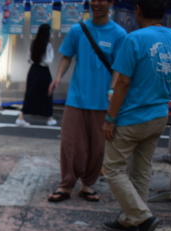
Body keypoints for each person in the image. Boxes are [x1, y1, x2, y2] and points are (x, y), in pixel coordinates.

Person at [101, 0, 171, 231]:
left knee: (113, 169)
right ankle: (129, 221)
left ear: (138, 9)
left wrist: (110, 119)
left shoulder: (134, 39)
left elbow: (122, 83)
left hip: (131, 117)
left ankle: (143, 217)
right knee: (141, 169)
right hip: (159, 114)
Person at [47, 0, 126, 202]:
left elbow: (118, 67)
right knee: (70, 143)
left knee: (98, 146)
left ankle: (88, 184)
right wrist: (58, 78)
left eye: (102, 0)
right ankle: (65, 185)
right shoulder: (78, 29)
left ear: (110, 3)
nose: (96, 3)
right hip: (76, 97)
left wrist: (112, 89)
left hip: (102, 100)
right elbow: (66, 56)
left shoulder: (119, 34)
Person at [16, 24, 57, 127]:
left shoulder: (33, 43)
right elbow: (48, 60)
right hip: (44, 71)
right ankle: (49, 118)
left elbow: (28, 58)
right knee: (47, 93)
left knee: (30, 93)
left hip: (33, 70)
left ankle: (21, 117)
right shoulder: (48, 45)